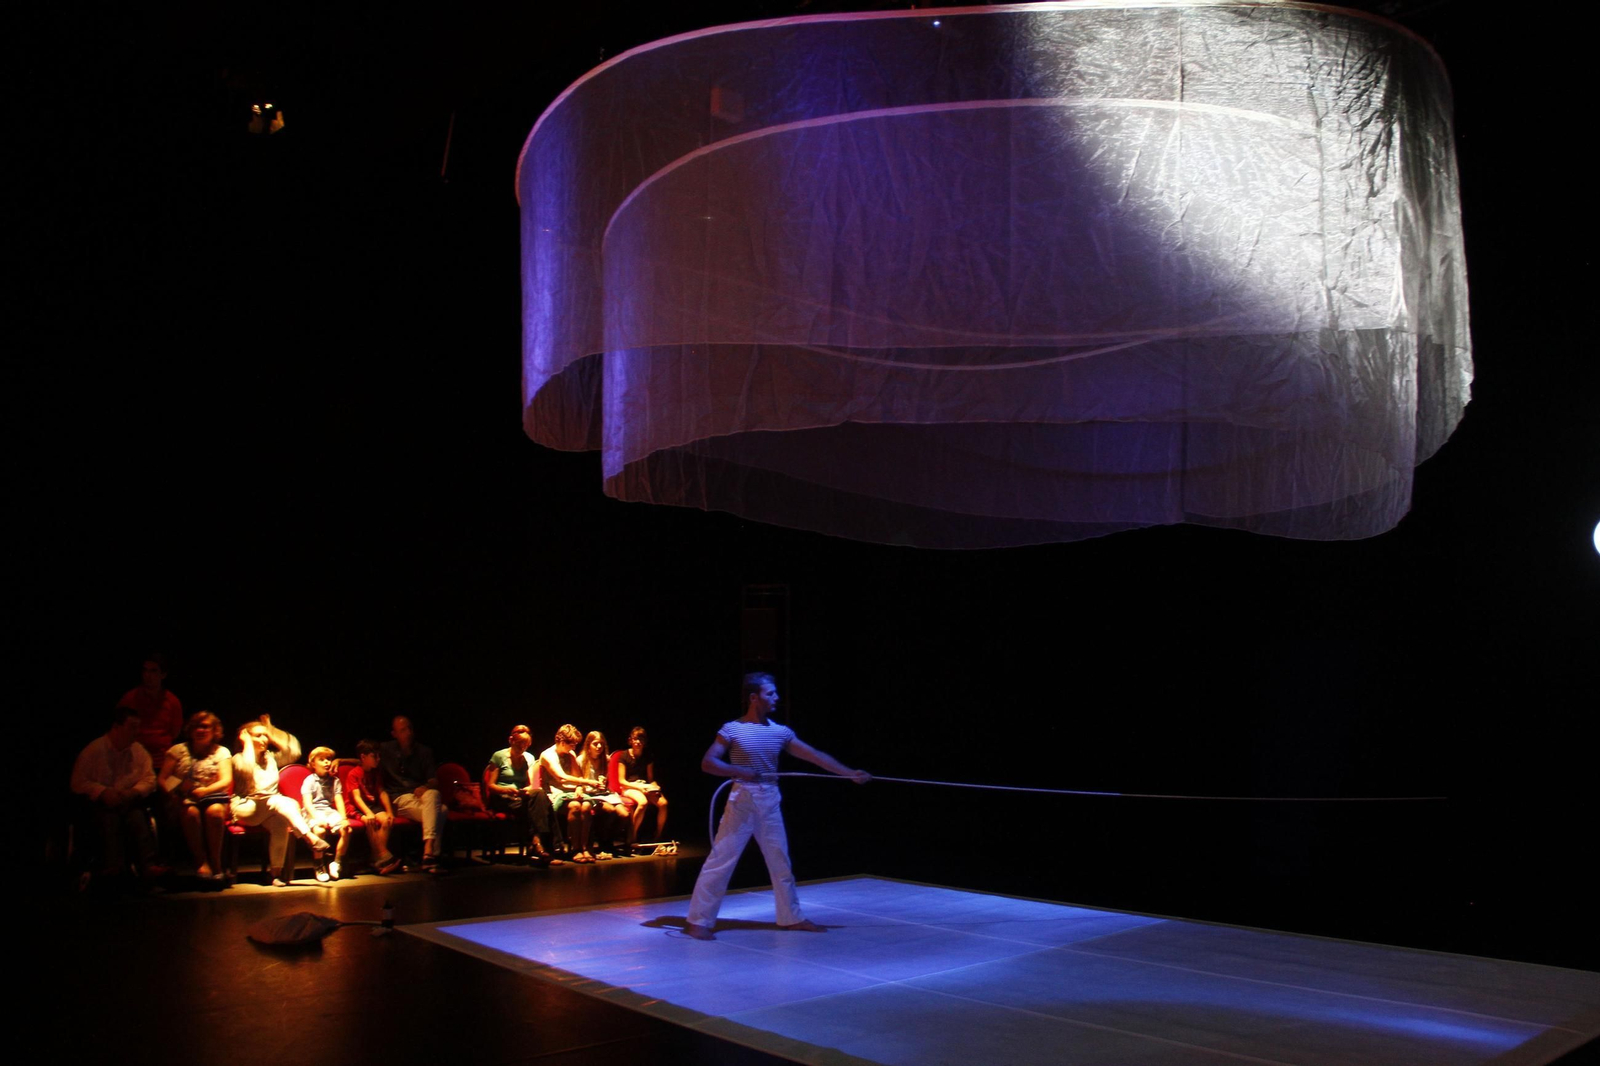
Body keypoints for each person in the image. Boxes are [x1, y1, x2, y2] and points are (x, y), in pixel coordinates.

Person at [685, 673, 869, 941]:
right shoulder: (732, 729)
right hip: (742, 799)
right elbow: (708, 762)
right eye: (770, 694)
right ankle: (698, 921)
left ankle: (790, 917)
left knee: (780, 860)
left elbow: (815, 756)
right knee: (721, 860)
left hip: (770, 798)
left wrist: (849, 773)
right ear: (753, 697)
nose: (776, 698)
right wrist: (739, 770)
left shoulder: (780, 732)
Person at [231, 721, 327, 886]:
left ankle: (275, 875)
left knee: (281, 823)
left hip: (270, 808)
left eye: (265, 736)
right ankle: (309, 837)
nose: (264, 739)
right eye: (258, 735)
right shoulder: (238, 758)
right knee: (279, 800)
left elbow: (294, 750)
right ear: (245, 738)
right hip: (246, 808)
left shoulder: (270, 758)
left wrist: (272, 731)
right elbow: (247, 770)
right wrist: (246, 744)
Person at [71, 707, 159, 886]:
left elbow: (150, 779)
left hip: (127, 800)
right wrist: (102, 792)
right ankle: (112, 868)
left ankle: (148, 866)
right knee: (108, 817)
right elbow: (78, 782)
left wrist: (133, 792)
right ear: (116, 727)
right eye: (132, 727)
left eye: (137, 727)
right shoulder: (94, 751)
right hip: (100, 804)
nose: (136, 732)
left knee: (137, 817)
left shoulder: (138, 751)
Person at [157, 711, 232, 880]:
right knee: (190, 812)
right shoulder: (178, 750)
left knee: (214, 812)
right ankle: (201, 861)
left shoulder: (221, 752)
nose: (201, 730)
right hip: (183, 797)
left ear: (214, 731)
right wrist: (175, 791)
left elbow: (226, 780)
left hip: (211, 795)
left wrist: (205, 791)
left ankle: (216, 862)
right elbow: (162, 779)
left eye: (205, 727)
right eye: (197, 726)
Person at [483, 724, 555, 864]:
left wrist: (525, 790)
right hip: (501, 797)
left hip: (519, 798)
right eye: (520, 744)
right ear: (511, 741)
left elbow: (528, 784)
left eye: (526, 744)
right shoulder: (499, 756)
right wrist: (507, 790)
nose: (523, 747)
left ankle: (537, 843)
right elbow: (490, 785)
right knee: (539, 804)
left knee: (540, 796)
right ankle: (542, 844)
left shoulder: (528, 757)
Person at [379, 716, 444, 869]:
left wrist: (426, 786)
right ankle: (433, 856)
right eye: (402, 730)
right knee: (441, 811)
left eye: (409, 728)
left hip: (419, 796)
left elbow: (434, 781)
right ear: (394, 734)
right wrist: (340, 761)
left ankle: (428, 853)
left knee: (434, 794)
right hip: (398, 798)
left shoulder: (424, 751)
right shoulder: (385, 749)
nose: (408, 733)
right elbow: (365, 760)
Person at [539, 724, 603, 863]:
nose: (574, 747)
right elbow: (561, 777)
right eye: (572, 744)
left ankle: (584, 848)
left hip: (571, 792)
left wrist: (580, 788)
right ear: (562, 742)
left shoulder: (571, 754)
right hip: (554, 793)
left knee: (586, 805)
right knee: (575, 806)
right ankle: (575, 849)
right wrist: (588, 782)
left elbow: (577, 778)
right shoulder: (547, 755)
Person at [117, 654, 184, 768]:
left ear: (163, 674)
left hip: (160, 761)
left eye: (153, 671)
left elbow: (175, 732)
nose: (148, 675)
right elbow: (118, 726)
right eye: (145, 670)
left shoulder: (172, 701)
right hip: (132, 759)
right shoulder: (130, 698)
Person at [347, 740, 400, 873]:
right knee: (369, 821)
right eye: (374, 756)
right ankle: (385, 856)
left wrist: (389, 812)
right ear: (363, 757)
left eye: (378, 756)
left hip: (372, 805)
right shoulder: (354, 773)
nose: (378, 759)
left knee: (387, 820)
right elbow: (356, 797)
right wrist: (368, 813)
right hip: (357, 808)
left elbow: (382, 792)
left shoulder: (376, 773)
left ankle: (376, 860)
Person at [578, 731, 632, 858]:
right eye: (595, 744)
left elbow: (608, 780)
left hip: (605, 793)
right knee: (610, 810)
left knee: (625, 814)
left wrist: (603, 781)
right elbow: (578, 782)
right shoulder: (581, 760)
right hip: (590, 794)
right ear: (588, 745)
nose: (599, 747)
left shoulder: (606, 759)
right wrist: (591, 784)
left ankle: (608, 840)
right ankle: (603, 842)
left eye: (601, 744)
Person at [301, 747, 351, 881]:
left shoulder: (335, 781)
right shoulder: (309, 780)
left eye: (328, 759)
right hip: (313, 812)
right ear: (313, 764)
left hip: (328, 811)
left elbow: (339, 800)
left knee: (347, 828)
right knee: (319, 830)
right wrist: (317, 818)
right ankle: (318, 865)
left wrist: (344, 818)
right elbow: (307, 804)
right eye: (321, 760)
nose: (326, 762)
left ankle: (337, 862)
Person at [615, 726, 668, 846]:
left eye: (641, 739)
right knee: (643, 802)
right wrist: (639, 788)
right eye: (635, 739)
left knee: (663, 804)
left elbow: (650, 779)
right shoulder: (624, 755)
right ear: (631, 740)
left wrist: (655, 787)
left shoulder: (647, 756)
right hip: (629, 787)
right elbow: (621, 781)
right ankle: (632, 836)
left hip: (644, 786)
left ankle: (657, 836)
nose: (638, 742)